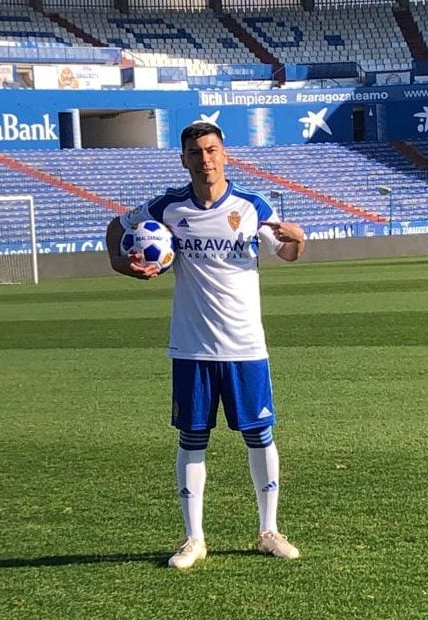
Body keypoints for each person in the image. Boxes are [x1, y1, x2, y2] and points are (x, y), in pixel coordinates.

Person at [106, 122, 306, 570]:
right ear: (184, 159)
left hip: (246, 344)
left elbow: (285, 252)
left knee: (259, 436)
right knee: (192, 438)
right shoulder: (167, 207)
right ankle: (194, 539)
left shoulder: (253, 206)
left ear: (225, 154)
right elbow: (116, 226)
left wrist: (299, 241)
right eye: (195, 152)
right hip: (192, 345)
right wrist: (123, 265)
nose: (205, 159)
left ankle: (268, 530)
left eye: (212, 150)